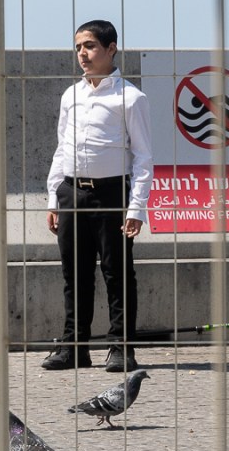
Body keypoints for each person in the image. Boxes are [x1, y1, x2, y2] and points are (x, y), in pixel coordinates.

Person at [43, 20, 153, 372]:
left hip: (111, 194)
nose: (82, 54)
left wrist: (136, 207)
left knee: (117, 273)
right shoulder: (70, 95)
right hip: (72, 193)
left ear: (111, 48)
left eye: (90, 46)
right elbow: (62, 148)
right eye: (78, 47)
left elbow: (143, 156)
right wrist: (54, 198)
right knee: (74, 274)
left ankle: (121, 348)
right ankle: (74, 347)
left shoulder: (130, 97)